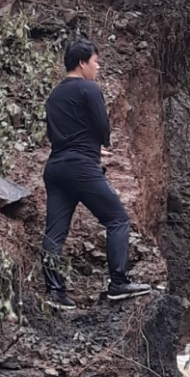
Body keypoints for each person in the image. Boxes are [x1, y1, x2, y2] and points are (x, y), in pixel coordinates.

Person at [41, 38, 151, 309]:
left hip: (56, 167)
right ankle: (118, 283)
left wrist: (88, 148)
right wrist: (98, 145)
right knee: (117, 219)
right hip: (80, 167)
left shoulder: (54, 95)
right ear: (82, 63)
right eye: (95, 62)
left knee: (55, 232)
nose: (98, 67)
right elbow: (103, 129)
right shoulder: (88, 88)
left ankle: (55, 292)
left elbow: (59, 134)